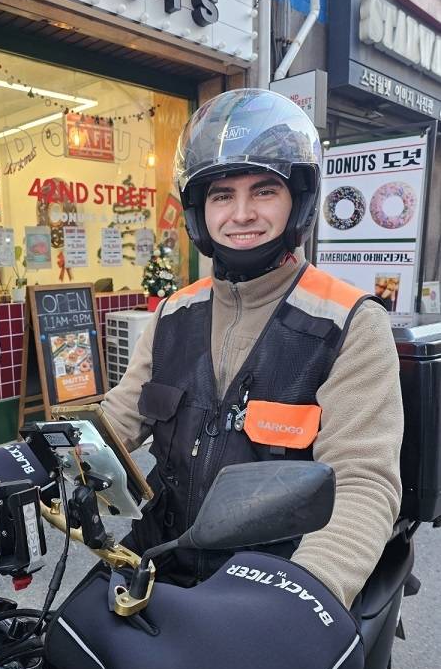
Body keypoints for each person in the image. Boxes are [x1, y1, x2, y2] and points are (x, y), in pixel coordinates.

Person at [102, 89, 403, 611]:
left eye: (264, 191)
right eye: (221, 195)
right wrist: (33, 465)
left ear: (298, 201)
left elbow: (362, 481)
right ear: (201, 211)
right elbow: (119, 419)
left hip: (271, 585)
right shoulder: (175, 312)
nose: (241, 213)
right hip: (162, 560)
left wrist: (305, 596)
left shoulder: (348, 323)